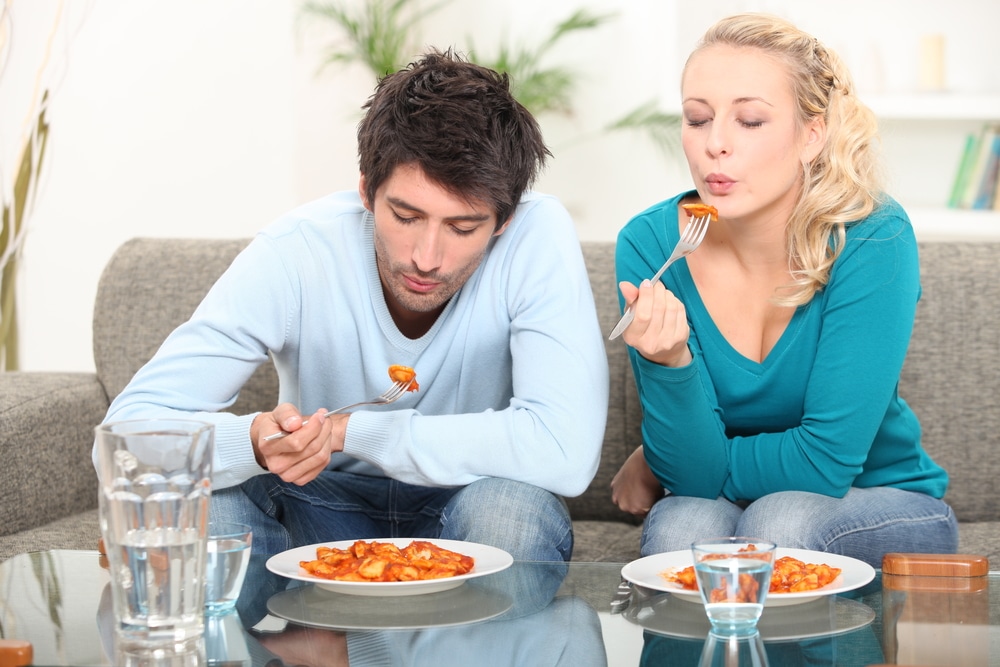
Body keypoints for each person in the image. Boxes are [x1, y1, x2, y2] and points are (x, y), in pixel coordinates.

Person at [96, 49, 609, 623]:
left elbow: (565, 453)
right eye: (405, 215)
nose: (427, 258)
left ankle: (346, 649)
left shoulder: (535, 237)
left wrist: (351, 431)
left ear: (504, 220)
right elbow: (123, 437)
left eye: (463, 227)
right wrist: (255, 441)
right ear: (366, 191)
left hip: (470, 504)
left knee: (511, 510)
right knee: (205, 512)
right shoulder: (297, 251)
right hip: (313, 511)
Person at [609, 14, 957, 567]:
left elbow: (824, 463)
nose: (715, 145)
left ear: (812, 134)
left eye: (749, 121)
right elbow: (692, 486)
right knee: (682, 524)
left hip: (883, 500)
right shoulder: (652, 244)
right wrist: (670, 360)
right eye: (697, 119)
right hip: (730, 500)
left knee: (779, 521)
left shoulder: (872, 237)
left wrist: (667, 458)